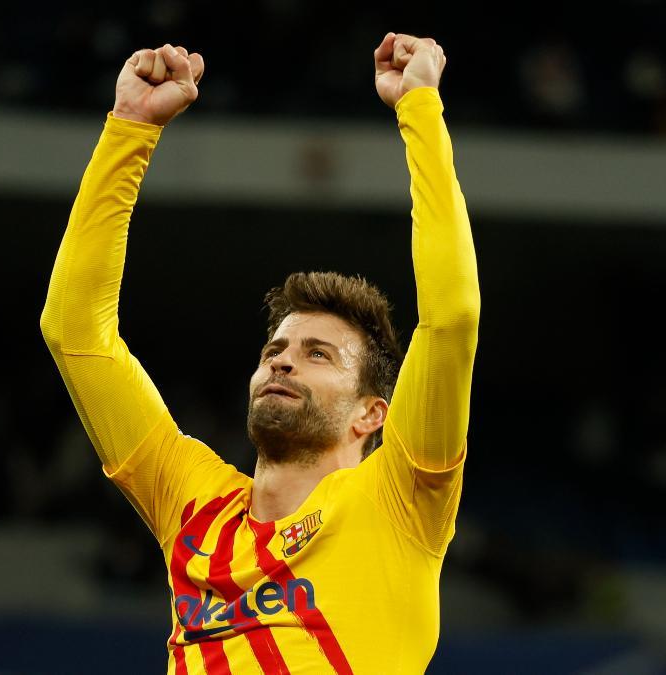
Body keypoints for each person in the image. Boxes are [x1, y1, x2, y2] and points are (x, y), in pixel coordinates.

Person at [41, 32, 478, 674]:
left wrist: (420, 110)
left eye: (318, 355)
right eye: (275, 348)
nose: (282, 361)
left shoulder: (399, 499)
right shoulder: (192, 503)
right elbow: (75, 334)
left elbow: (451, 316)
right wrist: (129, 130)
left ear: (371, 415)